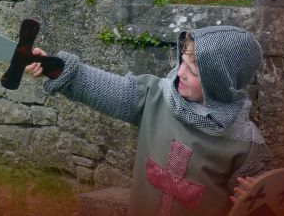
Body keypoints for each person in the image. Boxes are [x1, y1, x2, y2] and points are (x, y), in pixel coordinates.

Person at [25, 25, 270, 216]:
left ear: (220, 83)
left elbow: (260, 201)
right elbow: (106, 88)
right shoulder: (155, 96)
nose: (181, 73)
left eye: (193, 72)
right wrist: (54, 68)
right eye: (182, 62)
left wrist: (254, 199)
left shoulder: (244, 143)